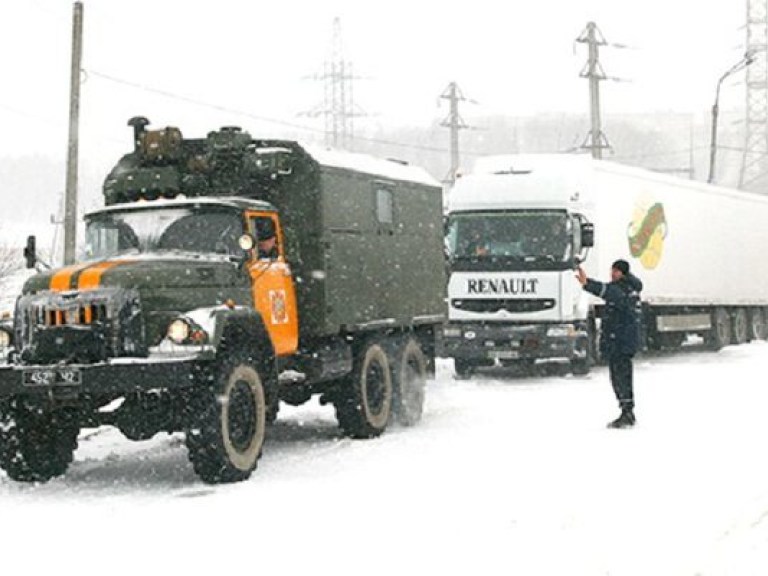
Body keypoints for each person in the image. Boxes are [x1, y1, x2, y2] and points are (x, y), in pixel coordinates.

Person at [576, 259, 643, 428]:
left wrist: (588, 283)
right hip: (621, 342)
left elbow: (609, 292)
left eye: (616, 271)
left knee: (621, 378)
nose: (612, 273)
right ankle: (626, 410)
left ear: (623, 273)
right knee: (621, 377)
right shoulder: (629, 288)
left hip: (621, 342)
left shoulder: (624, 289)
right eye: (612, 270)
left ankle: (627, 412)